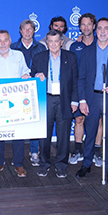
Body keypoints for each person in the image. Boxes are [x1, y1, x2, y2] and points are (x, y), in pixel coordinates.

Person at [75, 17, 108, 183]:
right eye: (100, 29)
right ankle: (86, 164)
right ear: (96, 31)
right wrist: (82, 100)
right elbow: (81, 77)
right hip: (92, 97)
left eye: (106, 29)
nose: (103, 32)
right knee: (90, 132)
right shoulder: (88, 51)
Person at [0, 30, 30, 177]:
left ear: (10, 41)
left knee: (18, 135)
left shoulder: (19, 55)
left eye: (5, 40)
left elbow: (26, 71)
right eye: (0, 41)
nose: (3, 43)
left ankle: (19, 164)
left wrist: (27, 75)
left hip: (17, 101)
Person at [31, 29, 79, 178]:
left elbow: (76, 81)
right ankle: (44, 164)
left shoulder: (70, 57)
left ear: (61, 42)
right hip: (46, 99)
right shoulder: (39, 57)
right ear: (46, 43)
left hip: (65, 99)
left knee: (63, 135)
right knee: (44, 134)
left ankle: (61, 165)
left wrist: (75, 100)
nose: (53, 44)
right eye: (50, 41)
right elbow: (31, 76)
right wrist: (35, 76)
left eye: (56, 41)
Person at [11, 19, 45, 166]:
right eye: (24, 29)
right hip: (16, 91)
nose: (27, 32)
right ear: (20, 31)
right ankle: (16, 155)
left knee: (35, 121)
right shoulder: (13, 47)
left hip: (35, 89)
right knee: (17, 121)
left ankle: (34, 151)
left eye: (30, 29)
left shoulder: (42, 48)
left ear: (34, 31)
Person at [69, 13, 100, 165]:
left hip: (96, 90)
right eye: (83, 24)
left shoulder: (101, 44)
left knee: (98, 121)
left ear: (94, 26)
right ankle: (78, 150)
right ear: (79, 27)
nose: (86, 27)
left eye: (89, 24)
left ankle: (97, 152)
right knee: (79, 119)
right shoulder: (75, 46)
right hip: (79, 88)